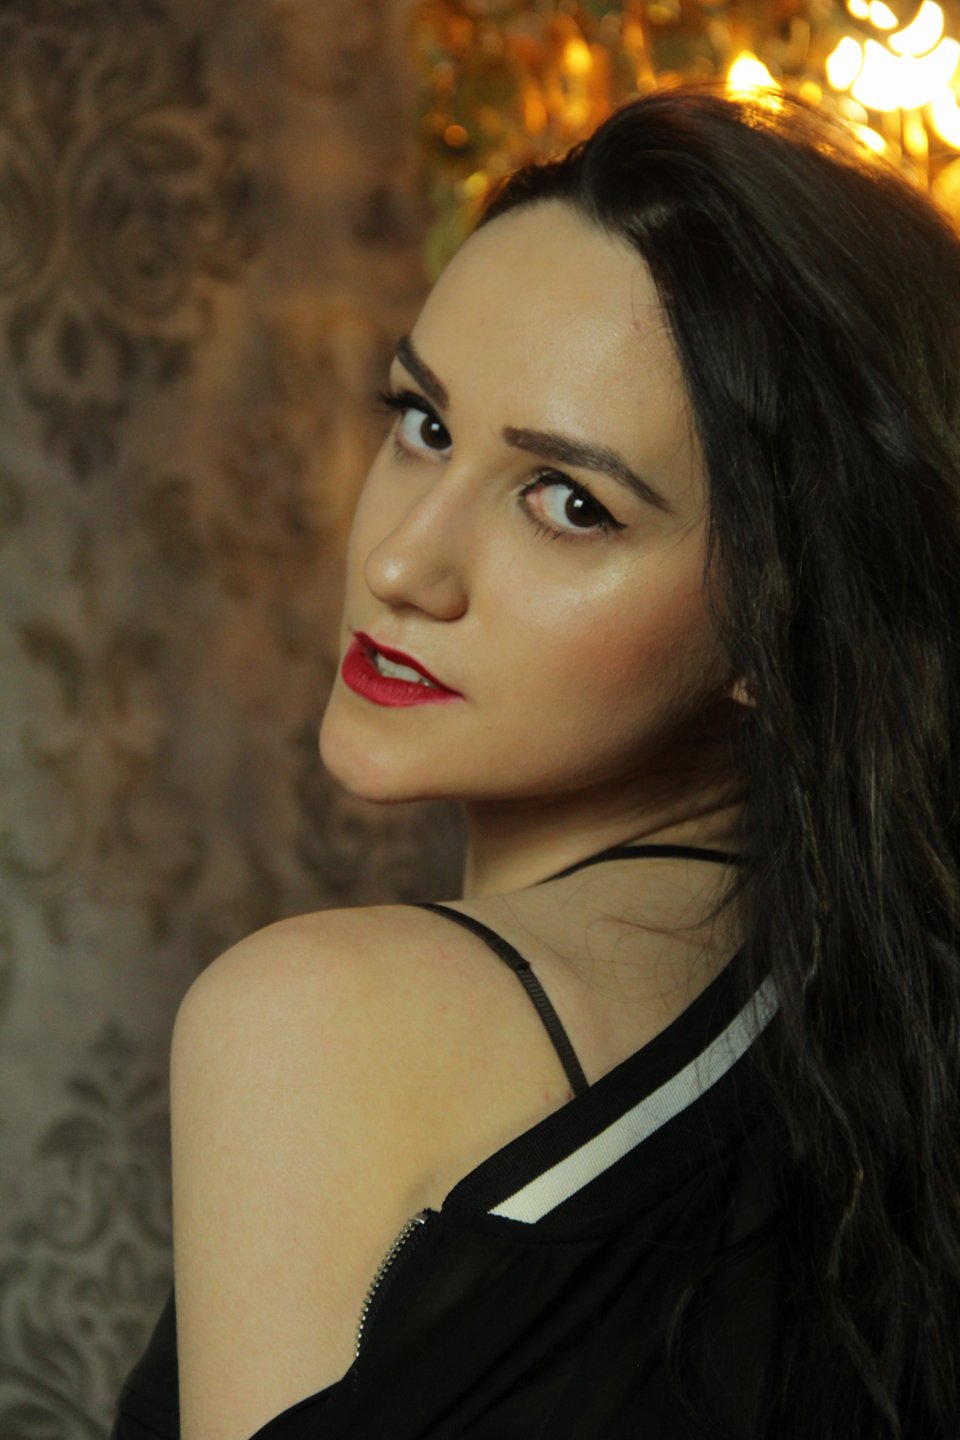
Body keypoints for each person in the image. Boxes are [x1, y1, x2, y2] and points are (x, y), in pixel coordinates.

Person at [110, 85, 960, 1440]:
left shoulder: (317, 1019)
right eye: (424, 425)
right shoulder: (873, 1052)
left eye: (569, 503)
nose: (403, 564)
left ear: (780, 621)